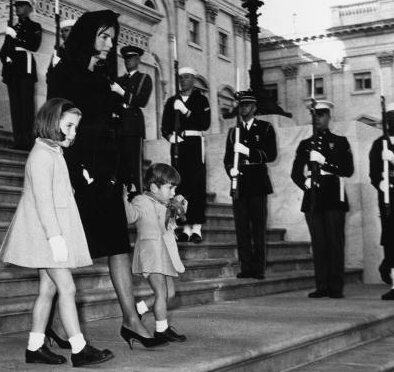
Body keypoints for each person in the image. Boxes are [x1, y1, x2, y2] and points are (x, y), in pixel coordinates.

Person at [51, 10, 164, 348]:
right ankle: (55, 325)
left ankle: (130, 320)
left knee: (117, 246)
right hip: (80, 174)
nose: (109, 44)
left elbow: (117, 129)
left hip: (107, 174)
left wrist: (126, 175)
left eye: (112, 38)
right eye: (104, 36)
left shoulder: (102, 77)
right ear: (87, 36)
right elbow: (58, 128)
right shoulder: (64, 74)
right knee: (71, 252)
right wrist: (76, 171)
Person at [0, 98, 114, 367]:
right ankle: (79, 348)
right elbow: (42, 201)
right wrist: (55, 237)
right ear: (52, 122)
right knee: (68, 287)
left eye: (76, 128)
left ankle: (35, 347)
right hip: (46, 235)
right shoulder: (41, 155)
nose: (73, 134)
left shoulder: (52, 153)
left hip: (49, 234)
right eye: (69, 126)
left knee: (48, 289)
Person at [291, 100, 354, 299]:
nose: (317, 119)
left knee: (335, 243)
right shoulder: (305, 144)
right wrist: (305, 183)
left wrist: (324, 162)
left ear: (328, 117)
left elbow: (347, 170)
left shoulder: (340, 141)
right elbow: (295, 173)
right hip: (313, 198)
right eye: (314, 115)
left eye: (321, 115)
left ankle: (335, 287)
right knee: (319, 244)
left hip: (334, 196)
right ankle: (321, 285)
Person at [123, 163, 187, 344]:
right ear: (153, 187)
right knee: (161, 293)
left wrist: (178, 209)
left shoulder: (163, 203)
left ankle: (138, 309)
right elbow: (130, 217)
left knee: (170, 294)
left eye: (175, 188)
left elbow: (168, 226)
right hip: (150, 253)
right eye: (170, 188)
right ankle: (161, 329)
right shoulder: (141, 201)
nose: (174, 192)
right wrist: (124, 199)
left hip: (164, 254)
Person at [223, 91, 277, 280]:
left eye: (247, 105)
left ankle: (258, 268)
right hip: (240, 183)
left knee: (258, 228)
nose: (243, 108)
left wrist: (248, 151)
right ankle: (246, 267)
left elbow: (271, 154)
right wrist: (231, 170)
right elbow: (227, 159)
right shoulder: (233, 132)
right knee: (242, 228)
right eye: (241, 105)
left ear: (254, 107)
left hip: (257, 182)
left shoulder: (265, 128)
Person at [161, 67, 211, 243]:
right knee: (180, 186)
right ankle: (184, 227)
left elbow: (204, 123)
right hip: (178, 146)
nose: (183, 80)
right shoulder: (172, 101)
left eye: (187, 77)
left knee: (196, 186)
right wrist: (170, 136)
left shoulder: (201, 100)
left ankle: (196, 228)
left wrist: (185, 111)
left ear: (194, 79)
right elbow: (165, 126)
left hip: (195, 145)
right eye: (180, 77)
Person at [0, 0, 42, 149]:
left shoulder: (34, 26)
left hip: (26, 67)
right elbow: (3, 50)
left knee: (26, 105)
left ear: (29, 8)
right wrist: (6, 58)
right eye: (16, 6)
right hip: (13, 69)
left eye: (22, 5)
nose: (18, 8)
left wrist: (16, 37)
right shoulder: (13, 27)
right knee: (15, 105)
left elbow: (34, 45)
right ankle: (18, 139)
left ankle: (27, 139)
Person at [113, 45, 153, 192]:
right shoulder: (119, 79)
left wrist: (122, 92)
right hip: (119, 124)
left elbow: (141, 101)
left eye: (131, 58)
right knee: (119, 166)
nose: (127, 62)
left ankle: (137, 196)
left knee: (134, 166)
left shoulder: (144, 78)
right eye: (126, 59)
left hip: (133, 125)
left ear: (137, 60)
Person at [369, 101, 394, 300]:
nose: (392, 121)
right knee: (391, 240)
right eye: (389, 117)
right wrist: (379, 182)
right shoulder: (379, 143)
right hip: (387, 198)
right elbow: (373, 172)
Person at [46, 18, 75, 100]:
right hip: (57, 92)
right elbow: (49, 72)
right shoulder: (59, 50)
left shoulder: (79, 50)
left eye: (66, 30)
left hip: (71, 91)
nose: (63, 34)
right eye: (61, 31)